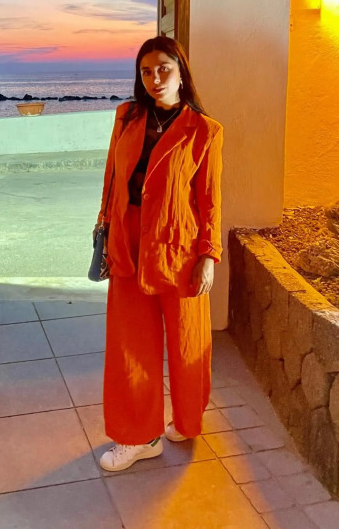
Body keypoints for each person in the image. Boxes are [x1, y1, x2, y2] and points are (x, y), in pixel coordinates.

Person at [95, 35, 223, 472]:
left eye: (164, 68)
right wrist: (104, 230)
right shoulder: (127, 116)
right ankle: (139, 436)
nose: (155, 78)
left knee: (188, 343)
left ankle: (186, 420)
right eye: (146, 71)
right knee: (130, 344)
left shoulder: (205, 131)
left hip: (179, 248)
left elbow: (209, 199)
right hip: (128, 242)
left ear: (181, 71)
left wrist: (208, 255)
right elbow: (112, 179)